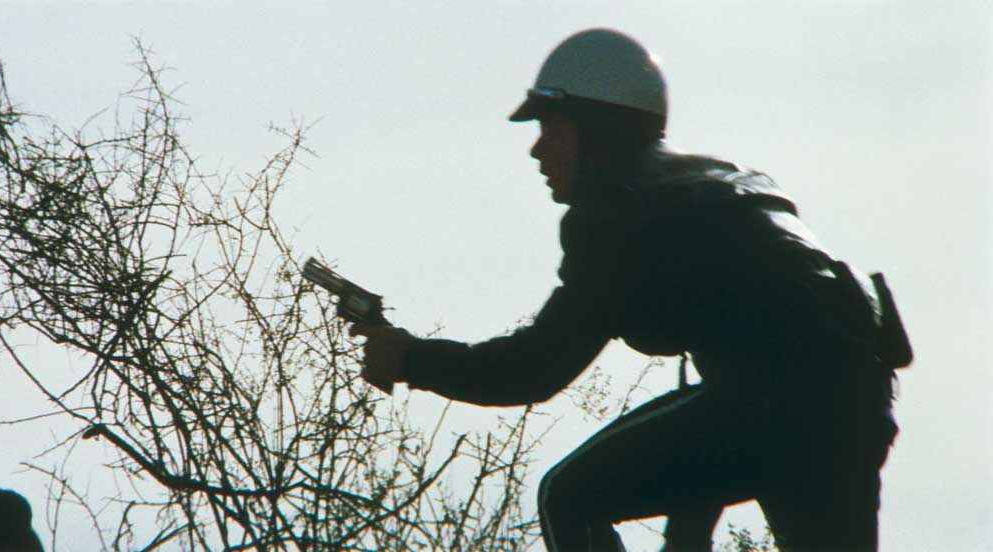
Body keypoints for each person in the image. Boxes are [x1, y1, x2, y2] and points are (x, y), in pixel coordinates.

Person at [351, 29, 910, 551]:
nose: (537, 150)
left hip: (774, 402)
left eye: (551, 128)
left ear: (595, 127)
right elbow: (721, 422)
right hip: (856, 406)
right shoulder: (722, 183)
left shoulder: (617, 213)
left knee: (570, 496)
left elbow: (534, 368)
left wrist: (410, 359)